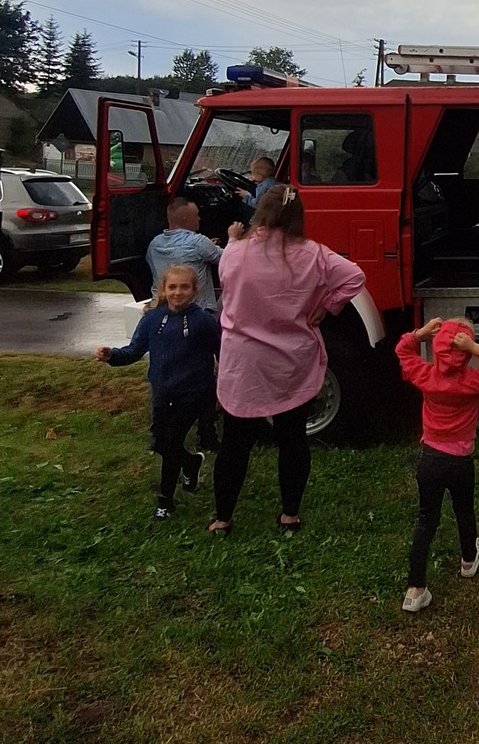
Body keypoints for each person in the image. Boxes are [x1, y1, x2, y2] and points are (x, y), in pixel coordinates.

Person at [209, 186, 364, 535]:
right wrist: (328, 305)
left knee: (235, 442)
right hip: (291, 361)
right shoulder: (314, 254)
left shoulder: (235, 253)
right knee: (292, 437)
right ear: (298, 216)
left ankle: (223, 518)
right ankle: (289, 515)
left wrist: (233, 240)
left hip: (244, 363)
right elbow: (354, 276)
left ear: (260, 211)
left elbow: (227, 283)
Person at [396, 317, 479, 615]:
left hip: (430, 461)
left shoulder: (425, 376)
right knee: (464, 511)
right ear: (465, 353)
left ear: (436, 349)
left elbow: (403, 351)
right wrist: (474, 348)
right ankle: (468, 561)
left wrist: (421, 333)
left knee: (426, 520)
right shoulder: (472, 381)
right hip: (461, 463)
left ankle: (415, 590)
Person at [95, 266, 221, 520]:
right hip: (163, 393)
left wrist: (223, 389)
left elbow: (224, 355)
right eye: (172, 287)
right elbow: (134, 350)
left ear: (195, 290)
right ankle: (191, 463)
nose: (178, 292)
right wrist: (112, 355)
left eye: (184, 287)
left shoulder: (204, 322)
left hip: (194, 394)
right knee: (161, 443)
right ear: (163, 289)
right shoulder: (152, 319)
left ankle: (165, 501)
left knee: (171, 442)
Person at [145, 196, 224, 310]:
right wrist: (233, 239)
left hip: (162, 308)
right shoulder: (198, 242)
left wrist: (209, 246)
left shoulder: (154, 244)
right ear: (185, 219)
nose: (199, 218)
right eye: (196, 215)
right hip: (195, 311)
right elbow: (228, 258)